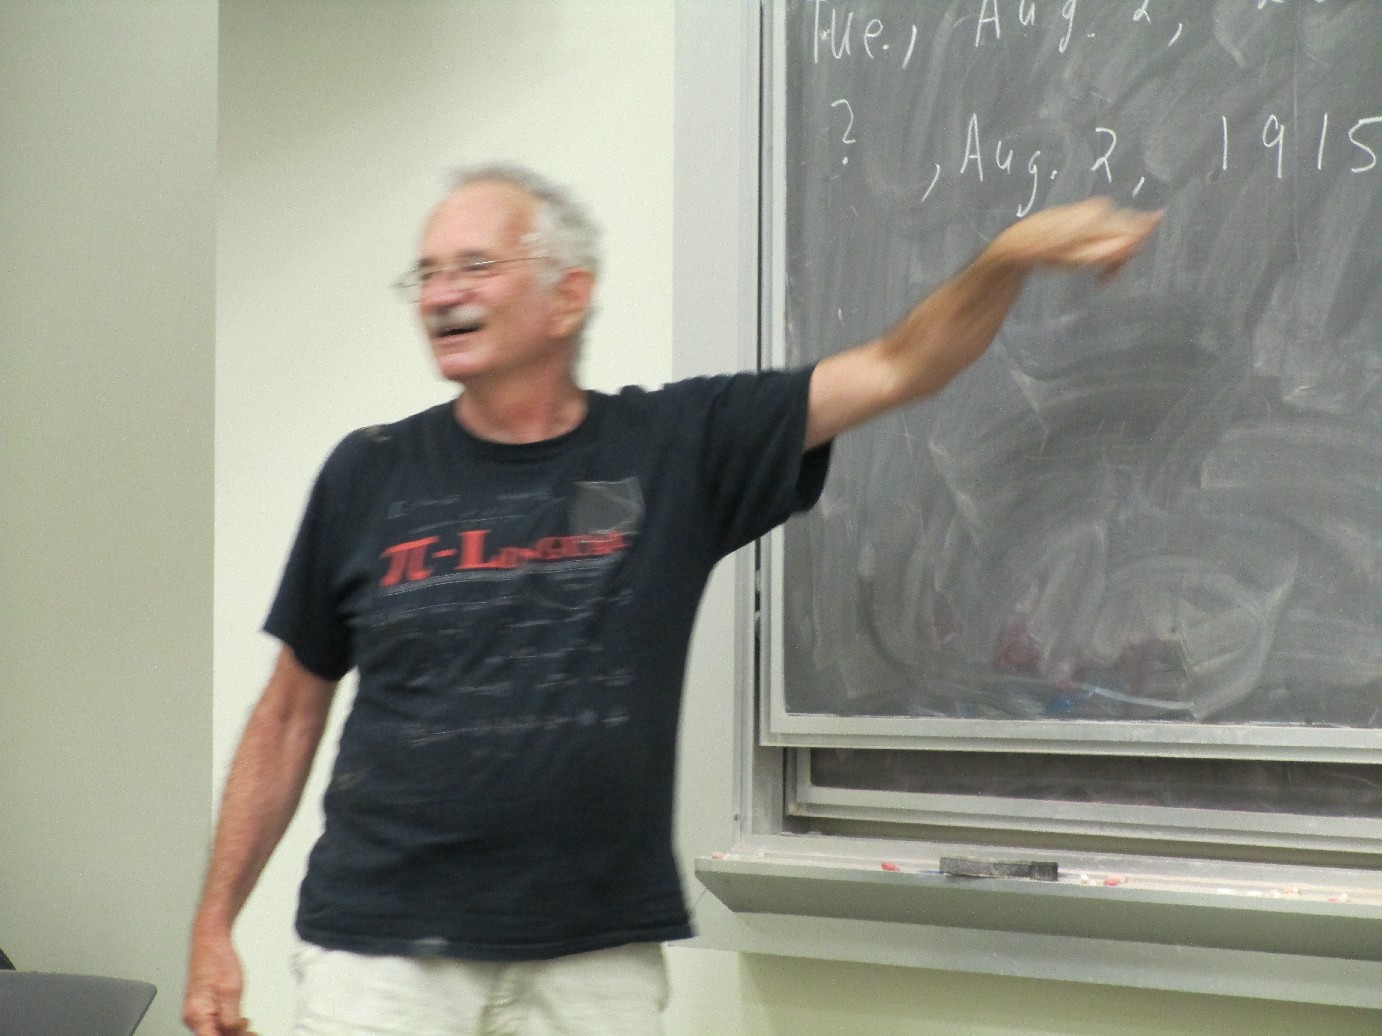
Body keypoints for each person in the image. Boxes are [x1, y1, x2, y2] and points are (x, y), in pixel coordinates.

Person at [183, 164, 1159, 1036]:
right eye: (427, 274)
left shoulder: (674, 448)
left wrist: (1006, 257)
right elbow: (286, 716)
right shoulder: (368, 473)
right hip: (382, 958)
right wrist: (213, 927)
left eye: (473, 266)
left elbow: (904, 363)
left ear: (567, 295)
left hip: (591, 956)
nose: (441, 294)